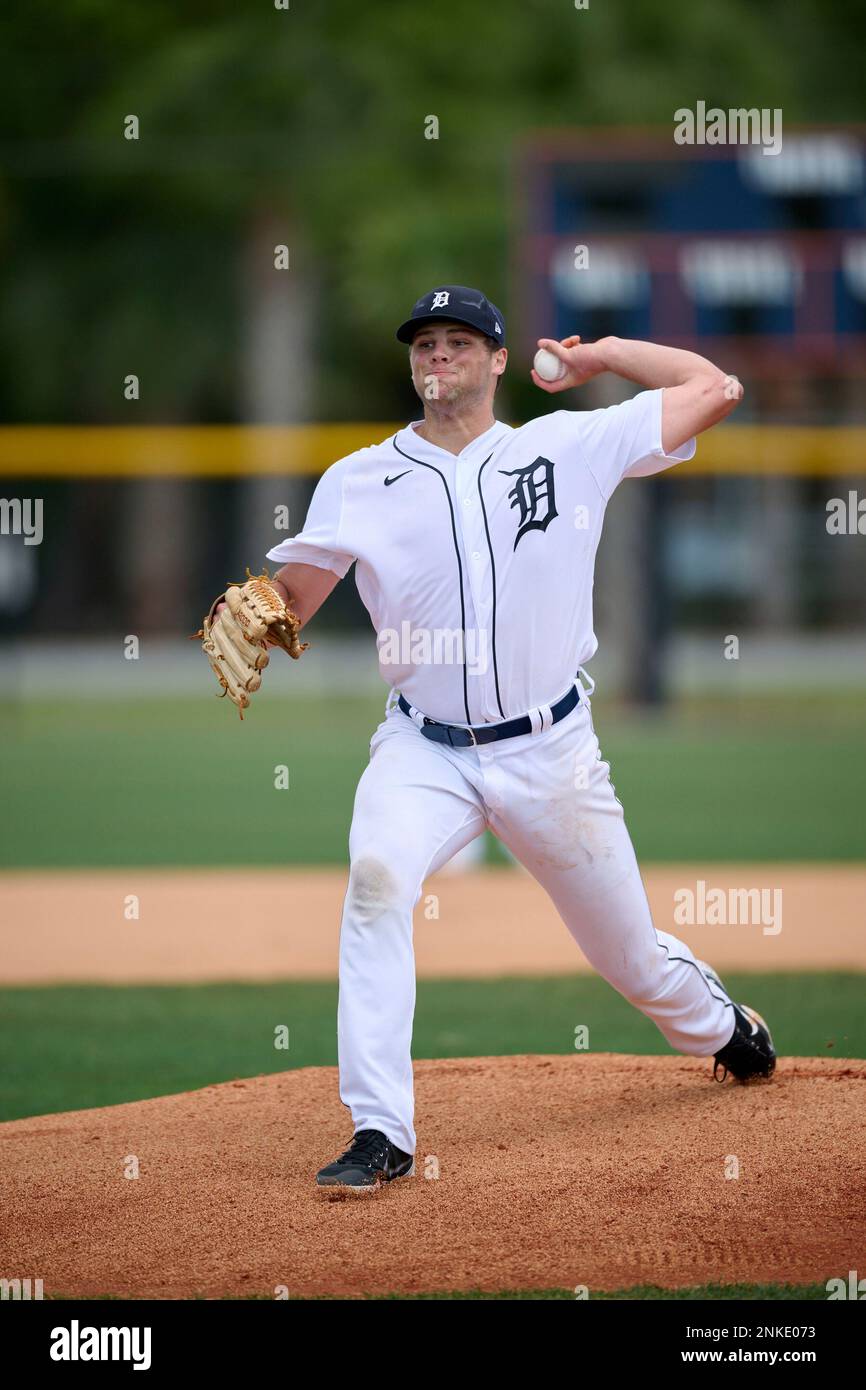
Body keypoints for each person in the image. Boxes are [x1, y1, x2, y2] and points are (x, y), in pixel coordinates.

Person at [254, 285, 777, 1191]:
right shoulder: (358, 479)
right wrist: (253, 619)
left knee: (633, 962)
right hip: (424, 750)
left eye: (460, 341)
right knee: (376, 884)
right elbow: (287, 605)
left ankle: (725, 1029)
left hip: (552, 751)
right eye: (424, 342)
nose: (438, 356)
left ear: (500, 362)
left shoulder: (566, 444)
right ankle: (381, 1132)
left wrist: (602, 355)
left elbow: (717, 387)